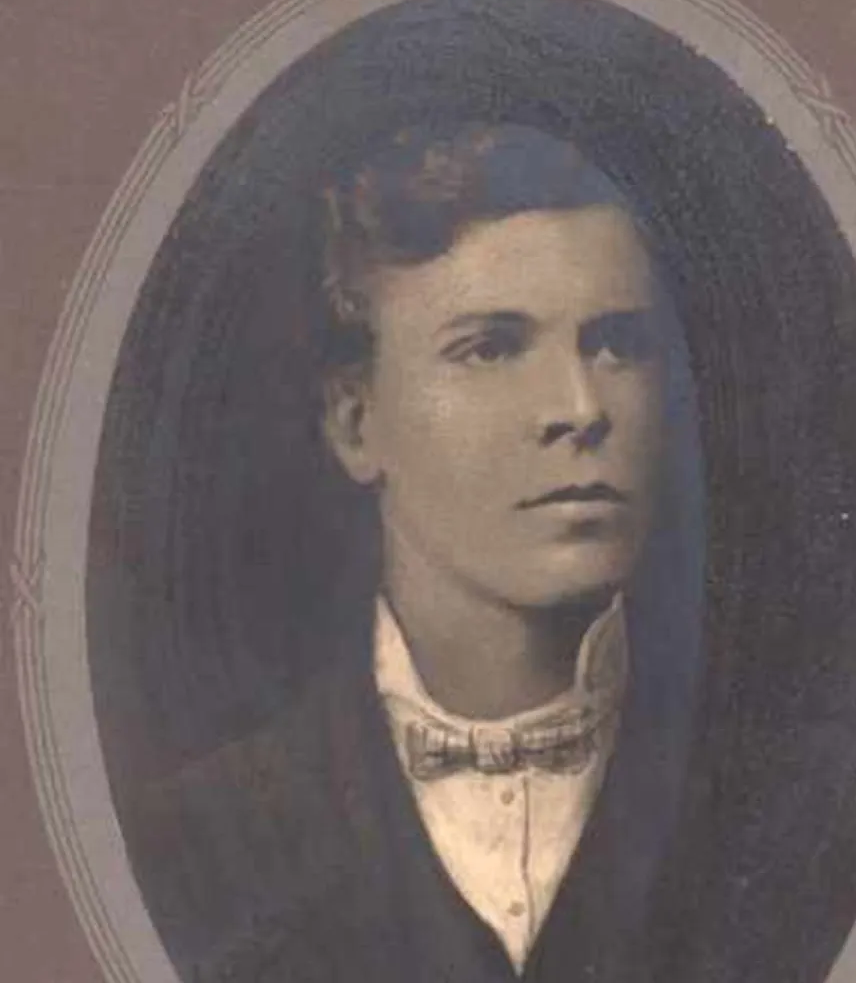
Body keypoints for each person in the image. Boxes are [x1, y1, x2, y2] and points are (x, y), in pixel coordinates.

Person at [123, 124, 702, 983]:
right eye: (493, 348)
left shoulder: (784, 805)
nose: (580, 408)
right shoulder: (194, 842)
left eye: (615, 343)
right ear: (357, 424)